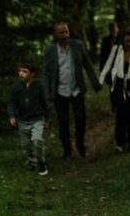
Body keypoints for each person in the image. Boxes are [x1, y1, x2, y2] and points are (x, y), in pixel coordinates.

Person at [42, 21, 101, 159]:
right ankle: (67, 149)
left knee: (81, 118)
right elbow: (46, 73)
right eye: (61, 33)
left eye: (66, 31)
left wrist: (95, 83)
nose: (64, 35)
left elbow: (88, 65)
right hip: (59, 91)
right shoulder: (50, 50)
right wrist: (46, 93)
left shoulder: (77, 46)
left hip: (76, 90)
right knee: (63, 121)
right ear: (55, 34)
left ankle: (80, 145)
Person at [100, 30, 130, 151]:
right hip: (119, 86)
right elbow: (108, 65)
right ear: (123, 39)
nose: (129, 41)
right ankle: (120, 143)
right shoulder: (117, 50)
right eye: (127, 38)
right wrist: (101, 79)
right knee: (121, 114)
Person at [7, 62, 49, 176]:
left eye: (25, 71)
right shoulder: (16, 88)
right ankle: (31, 162)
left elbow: (44, 104)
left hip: (37, 119)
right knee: (26, 145)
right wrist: (11, 115)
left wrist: (47, 119)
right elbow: (11, 103)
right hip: (23, 120)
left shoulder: (38, 87)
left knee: (37, 140)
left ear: (32, 73)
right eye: (20, 71)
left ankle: (41, 162)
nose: (21, 74)